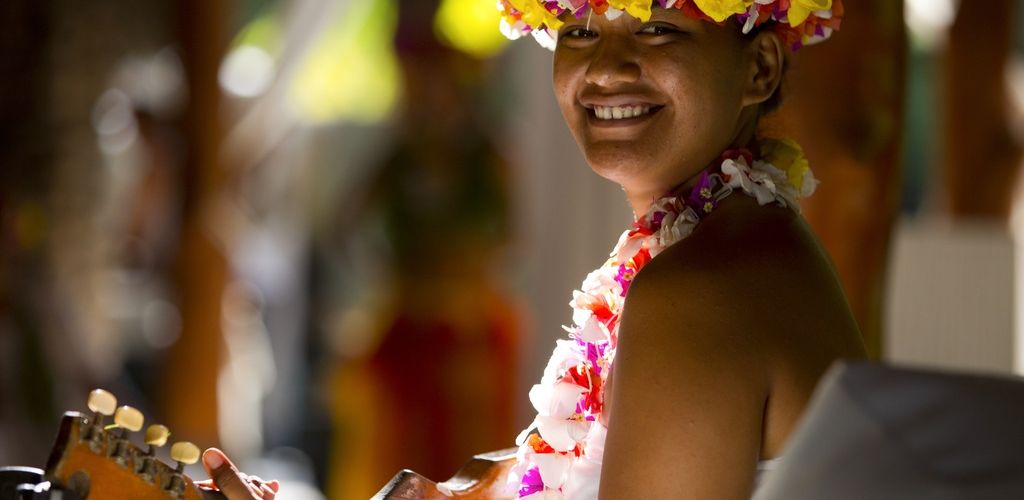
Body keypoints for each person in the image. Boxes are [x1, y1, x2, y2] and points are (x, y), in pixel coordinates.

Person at [496, 0, 866, 498]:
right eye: (580, 33)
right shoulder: (740, 239)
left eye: (657, 30)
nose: (605, 69)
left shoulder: (698, 289)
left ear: (760, 69)